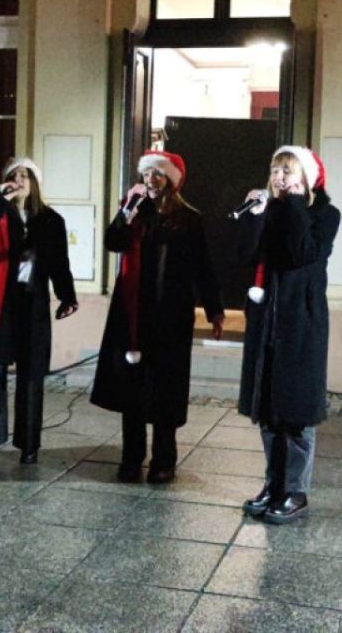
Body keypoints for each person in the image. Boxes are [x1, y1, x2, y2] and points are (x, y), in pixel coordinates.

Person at [91, 151, 225, 484]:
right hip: (133, 312)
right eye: (146, 173)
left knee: (165, 388)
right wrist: (126, 211)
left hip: (170, 314)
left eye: (157, 174)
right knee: (132, 389)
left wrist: (214, 309)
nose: (150, 179)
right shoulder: (134, 212)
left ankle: (164, 459)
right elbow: (112, 242)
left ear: (171, 181)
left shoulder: (188, 218)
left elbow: (203, 266)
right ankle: (131, 457)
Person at [236, 145, 340, 524]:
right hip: (268, 322)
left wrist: (292, 205)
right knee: (268, 410)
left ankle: (295, 491)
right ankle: (273, 484)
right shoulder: (271, 210)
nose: (279, 177)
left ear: (306, 178)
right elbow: (248, 257)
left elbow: (302, 253)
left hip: (301, 326)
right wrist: (255, 219)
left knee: (295, 412)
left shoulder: (326, 215)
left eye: (288, 171)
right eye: (275, 169)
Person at [0, 158, 78, 466]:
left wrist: (67, 296)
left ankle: (29, 445)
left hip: (32, 302)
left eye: (26, 175)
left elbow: (59, 262)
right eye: (14, 175)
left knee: (31, 375)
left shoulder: (50, 220)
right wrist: (0, 200)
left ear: (35, 182)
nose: (20, 179)